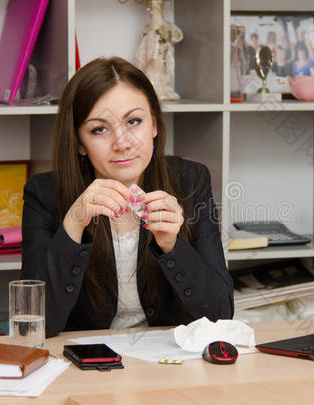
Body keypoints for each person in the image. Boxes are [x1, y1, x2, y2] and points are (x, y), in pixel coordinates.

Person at [21, 57, 234, 337]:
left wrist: (173, 246)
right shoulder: (43, 194)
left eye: (134, 121)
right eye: (100, 129)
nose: (122, 143)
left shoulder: (190, 181)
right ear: (80, 144)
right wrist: (73, 224)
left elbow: (220, 315)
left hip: (169, 362)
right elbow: (37, 325)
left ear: (155, 125)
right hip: (84, 367)